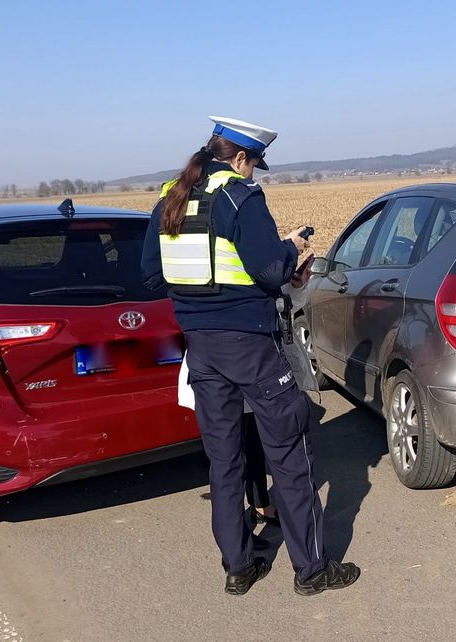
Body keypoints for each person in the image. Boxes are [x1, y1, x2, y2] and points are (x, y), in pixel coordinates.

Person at [142, 116, 360, 596]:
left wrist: (205, 288)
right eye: (255, 165)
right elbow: (269, 270)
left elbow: (152, 276)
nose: (255, 174)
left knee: (224, 460)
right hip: (250, 346)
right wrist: (292, 248)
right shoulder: (241, 197)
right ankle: (312, 569)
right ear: (240, 158)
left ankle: (238, 567)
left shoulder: (170, 197)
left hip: (199, 348)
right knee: (289, 451)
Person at [177, 358, 278, 526]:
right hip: (220, 374)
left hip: (246, 370)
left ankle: (261, 506)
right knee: (230, 462)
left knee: (253, 444)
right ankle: (238, 534)